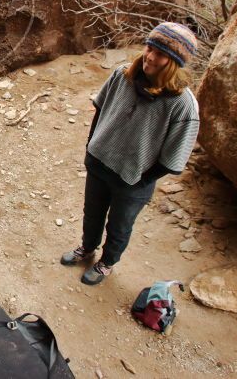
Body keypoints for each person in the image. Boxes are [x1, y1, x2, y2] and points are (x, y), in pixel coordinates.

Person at [61, 22, 200, 285]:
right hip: (100, 162)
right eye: (149, 48)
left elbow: (174, 155)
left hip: (133, 179)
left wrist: (142, 179)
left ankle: (107, 263)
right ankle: (87, 248)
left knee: (119, 225)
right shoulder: (121, 75)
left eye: (160, 54)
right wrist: (92, 147)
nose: (150, 56)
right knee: (92, 213)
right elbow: (101, 109)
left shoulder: (182, 105)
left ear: (173, 62)